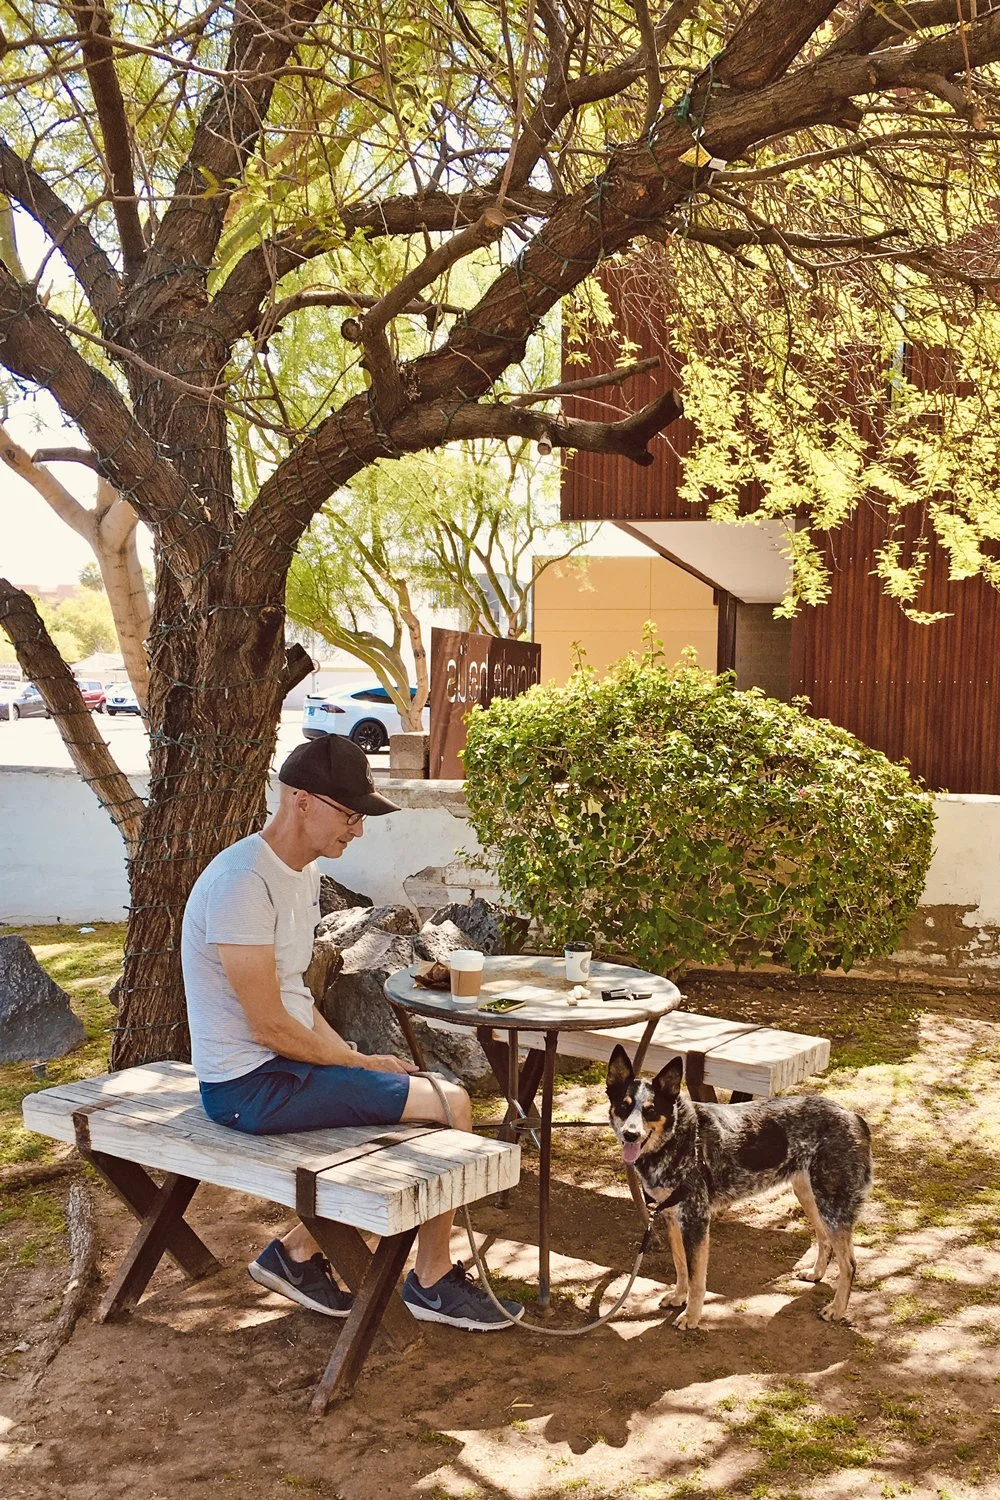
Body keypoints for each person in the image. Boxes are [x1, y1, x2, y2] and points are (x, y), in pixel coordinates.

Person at [181, 733, 523, 1332]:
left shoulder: (301, 875)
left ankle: (297, 1253)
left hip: (280, 1070)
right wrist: (359, 1068)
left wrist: (351, 1056)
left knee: (416, 1095)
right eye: (349, 813)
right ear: (300, 800)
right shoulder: (241, 883)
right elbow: (267, 1025)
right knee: (450, 1102)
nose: (358, 829)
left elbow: (295, 998)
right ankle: (433, 1280)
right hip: (245, 1088)